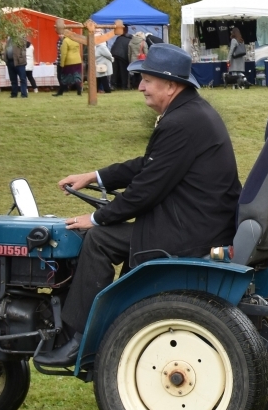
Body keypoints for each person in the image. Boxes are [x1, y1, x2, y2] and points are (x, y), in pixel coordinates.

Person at [40, 44, 242, 365]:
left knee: (98, 240)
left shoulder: (181, 122)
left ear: (171, 86)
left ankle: (78, 338)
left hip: (190, 234)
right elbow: (148, 164)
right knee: (104, 233)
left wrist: (95, 218)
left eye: (147, 80)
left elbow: (145, 190)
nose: (140, 87)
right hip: (195, 223)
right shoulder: (190, 113)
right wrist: (94, 176)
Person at [54, 30, 81, 96]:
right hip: (77, 60)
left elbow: (63, 53)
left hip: (69, 61)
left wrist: (62, 64)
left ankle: (60, 92)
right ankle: (79, 91)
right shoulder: (76, 40)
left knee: (64, 77)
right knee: (77, 76)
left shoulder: (65, 41)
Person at [5, 33, 29, 99]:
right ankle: (14, 94)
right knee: (13, 80)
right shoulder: (8, 40)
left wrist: (21, 56)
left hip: (19, 62)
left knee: (22, 79)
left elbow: (26, 45)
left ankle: (24, 94)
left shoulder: (20, 38)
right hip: (10, 62)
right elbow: (6, 49)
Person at [110, 24, 132, 90]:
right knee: (123, 72)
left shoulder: (118, 38)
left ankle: (113, 85)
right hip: (123, 57)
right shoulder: (129, 39)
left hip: (114, 55)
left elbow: (114, 46)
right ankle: (124, 86)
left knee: (115, 71)